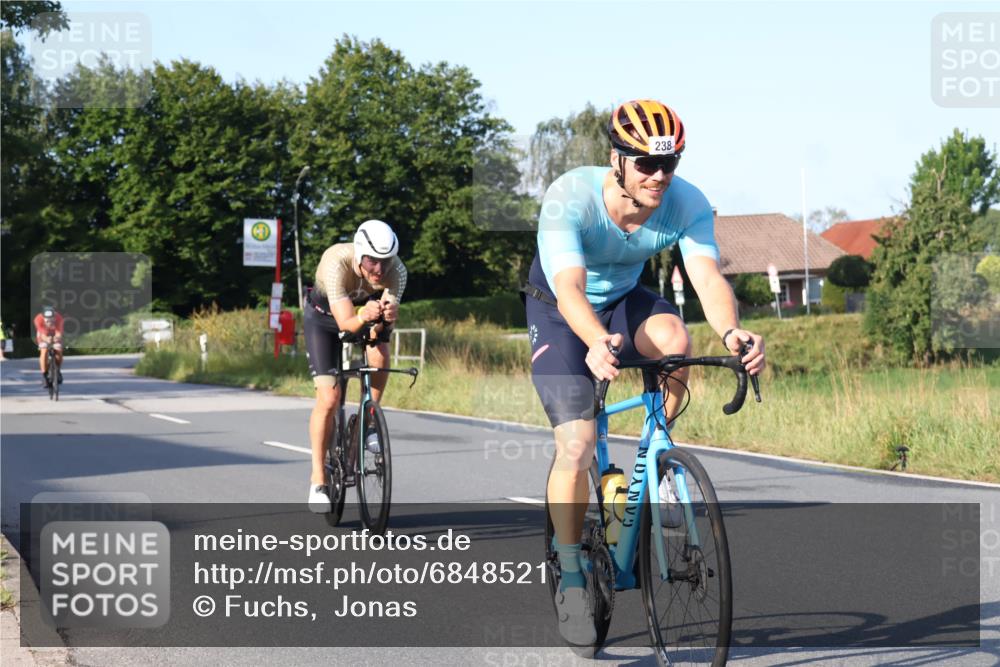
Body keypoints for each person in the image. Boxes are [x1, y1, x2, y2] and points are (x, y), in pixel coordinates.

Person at [524, 99, 766, 645]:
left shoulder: (687, 202)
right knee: (578, 446)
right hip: (561, 311)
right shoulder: (571, 198)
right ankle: (571, 578)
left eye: (670, 164)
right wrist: (592, 342)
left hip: (625, 301)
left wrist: (733, 333)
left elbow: (706, 276)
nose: (659, 176)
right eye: (645, 164)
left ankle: (650, 472)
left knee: (676, 340)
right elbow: (569, 290)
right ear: (617, 160)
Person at [303, 219, 407, 513]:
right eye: (373, 261)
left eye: (386, 262)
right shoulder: (336, 262)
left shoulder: (397, 271)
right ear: (360, 254)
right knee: (329, 398)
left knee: (381, 354)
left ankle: (369, 418)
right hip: (324, 321)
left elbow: (379, 333)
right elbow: (347, 324)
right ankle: (318, 480)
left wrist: (387, 317)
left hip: (364, 315)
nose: (379, 270)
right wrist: (364, 315)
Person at [34, 306, 65, 388]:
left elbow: (59, 332)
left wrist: (56, 339)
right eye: (47, 320)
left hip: (55, 333)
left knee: (58, 349)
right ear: (43, 317)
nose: (49, 321)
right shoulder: (38, 319)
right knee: (44, 350)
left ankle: (57, 370)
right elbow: (42, 334)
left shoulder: (59, 318)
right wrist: (47, 340)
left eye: (51, 319)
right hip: (43, 335)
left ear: (54, 316)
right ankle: (44, 375)